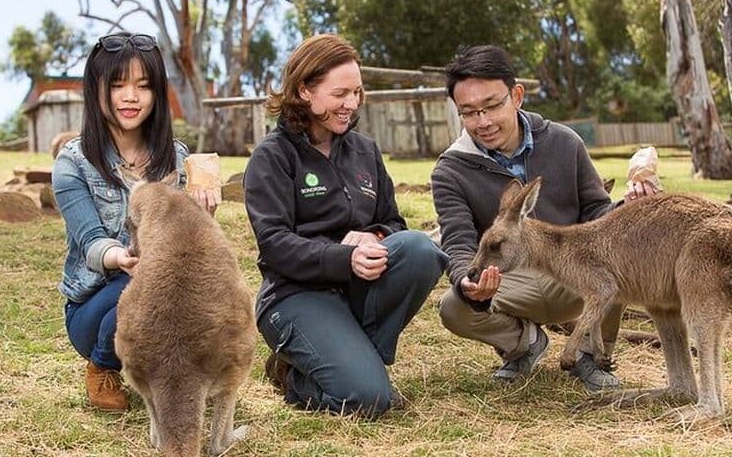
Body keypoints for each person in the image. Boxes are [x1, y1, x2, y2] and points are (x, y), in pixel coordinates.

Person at [244, 34, 449, 418]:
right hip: (295, 296)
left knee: (420, 250)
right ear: (305, 90)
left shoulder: (365, 150)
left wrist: (375, 236)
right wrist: (344, 257)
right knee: (368, 400)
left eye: (357, 92)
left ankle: (353, 357)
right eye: (340, 93)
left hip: (357, 289)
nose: (352, 103)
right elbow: (274, 244)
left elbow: (393, 221)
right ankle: (293, 375)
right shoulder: (271, 158)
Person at [431, 45, 656, 392]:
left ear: (516, 96)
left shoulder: (564, 142)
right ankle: (524, 344)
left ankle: (591, 355)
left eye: (492, 106)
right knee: (453, 308)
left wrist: (629, 207)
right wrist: (467, 280)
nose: (483, 122)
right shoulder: (451, 169)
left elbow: (597, 213)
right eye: (470, 113)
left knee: (616, 256)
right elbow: (458, 240)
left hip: (570, 273)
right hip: (509, 280)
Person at [52, 33, 217, 412]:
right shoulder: (73, 163)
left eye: (143, 86)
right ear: (97, 90)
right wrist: (120, 258)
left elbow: (186, 237)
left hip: (161, 297)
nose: (131, 97)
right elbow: (91, 241)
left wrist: (200, 215)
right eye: (118, 85)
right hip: (97, 307)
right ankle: (102, 365)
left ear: (157, 93)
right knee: (144, 277)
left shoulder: (177, 158)